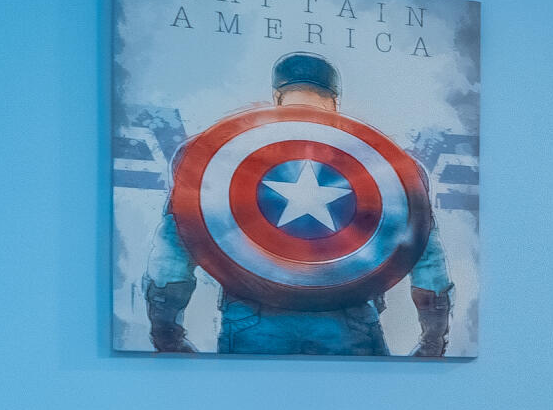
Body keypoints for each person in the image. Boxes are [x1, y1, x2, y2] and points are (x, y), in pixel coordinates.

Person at [144, 52, 452, 356]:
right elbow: (428, 259)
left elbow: (173, 252)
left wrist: (167, 333)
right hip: (351, 319)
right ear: (335, 100)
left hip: (252, 320)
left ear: (278, 96)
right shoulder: (383, 166)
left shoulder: (222, 158)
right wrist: (433, 340)